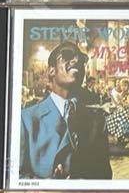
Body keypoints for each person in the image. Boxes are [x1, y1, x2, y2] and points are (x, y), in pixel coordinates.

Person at [17, 41, 112, 181]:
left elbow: (104, 176)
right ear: (51, 70)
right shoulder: (26, 119)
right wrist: (48, 186)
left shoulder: (97, 122)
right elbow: (16, 176)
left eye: (82, 59)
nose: (76, 60)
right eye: (67, 55)